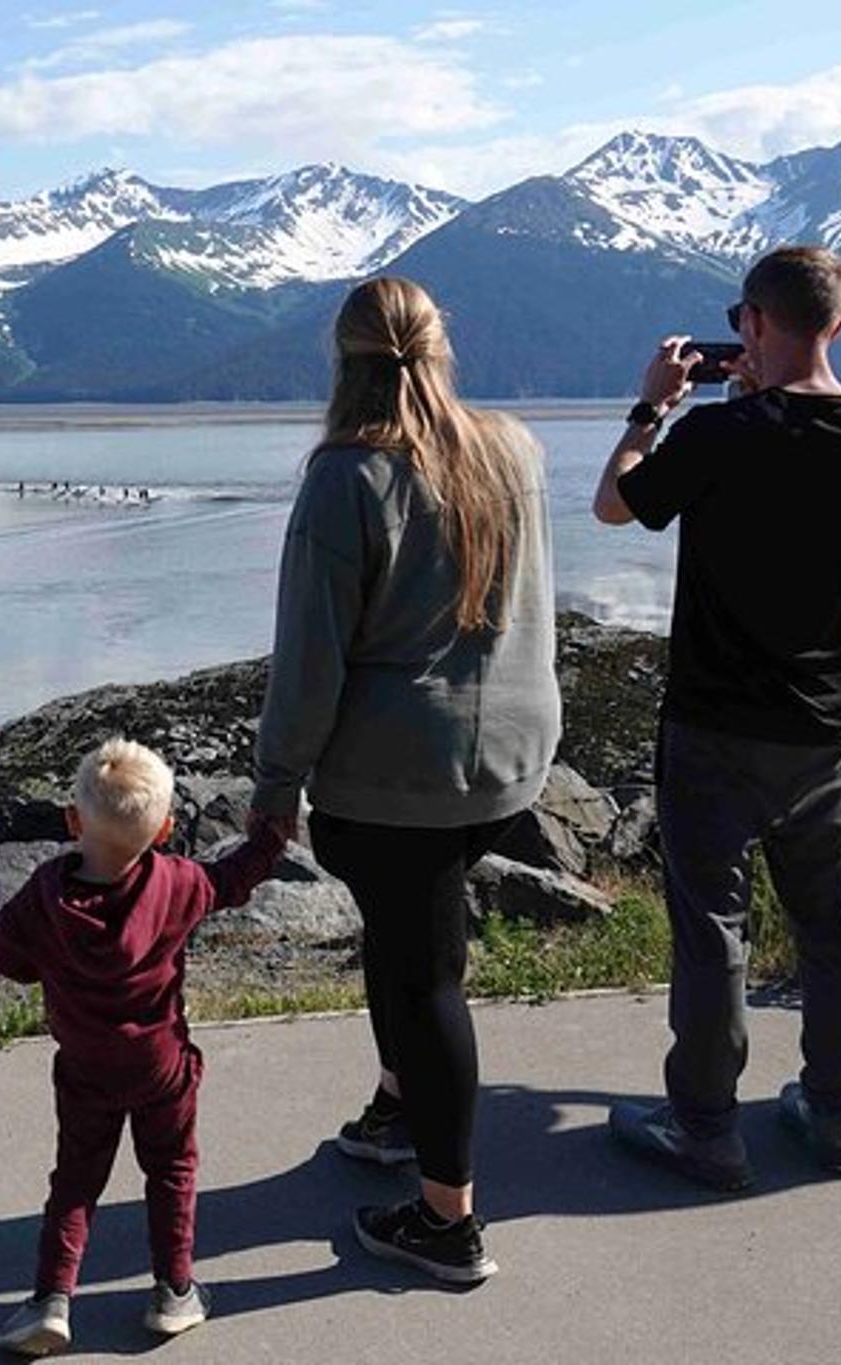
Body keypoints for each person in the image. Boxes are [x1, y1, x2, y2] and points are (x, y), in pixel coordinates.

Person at [591, 245, 841, 1189]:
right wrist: (758, 406)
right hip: (824, 728)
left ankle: (705, 1125)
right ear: (840, 324)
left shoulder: (714, 438)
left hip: (712, 724)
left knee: (713, 933)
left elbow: (615, 504)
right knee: (837, 928)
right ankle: (840, 1113)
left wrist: (655, 406)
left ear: (751, 324)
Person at [251, 276, 560, 1285]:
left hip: (396, 772)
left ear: (342, 364)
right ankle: (396, 1109)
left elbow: (308, 661)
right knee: (407, 937)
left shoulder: (344, 476)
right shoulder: (510, 448)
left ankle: (446, 1220)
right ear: (439, 350)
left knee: (423, 973)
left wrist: (273, 786)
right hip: (508, 758)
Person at [0, 738, 287, 1355]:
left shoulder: (46, 893)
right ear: (167, 828)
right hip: (161, 1065)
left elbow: (3, 956)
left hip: (85, 1066)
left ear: (73, 821)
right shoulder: (177, 883)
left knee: (75, 1180)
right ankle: (174, 1291)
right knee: (172, 1169)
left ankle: (50, 1300)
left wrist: (46, 965)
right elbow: (231, 879)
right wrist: (268, 839)